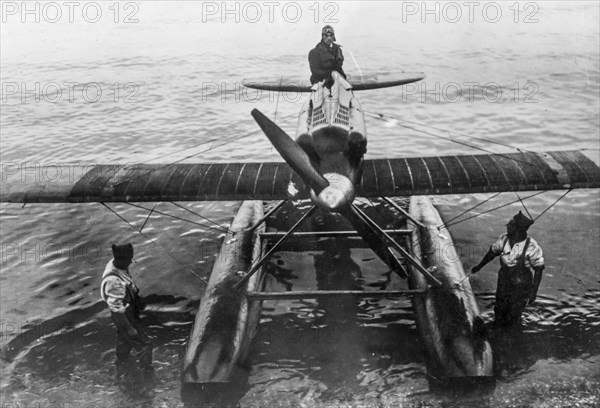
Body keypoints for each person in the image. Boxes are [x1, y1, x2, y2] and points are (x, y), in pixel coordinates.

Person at [471, 211, 545, 326]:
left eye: (511, 225)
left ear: (518, 230)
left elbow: (539, 269)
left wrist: (533, 292)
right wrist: (479, 266)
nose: (507, 226)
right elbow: (492, 253)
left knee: (514, 312)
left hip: (521, 284)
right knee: (499, 308)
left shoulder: (531, 246)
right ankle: (498, 327)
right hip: (504, 280)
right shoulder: (503, 239)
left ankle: (513, 330)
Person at [100, 243, 153, 375]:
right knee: (144, 344)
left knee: (124, 339)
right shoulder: (114, 282)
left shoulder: (115, 264)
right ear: (120, 260)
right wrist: (130, 328)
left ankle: (121, 363)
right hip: (125, 316)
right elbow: (116, 310)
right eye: (128, 260)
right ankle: (147, 372)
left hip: (128, 310)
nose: (130, 262)